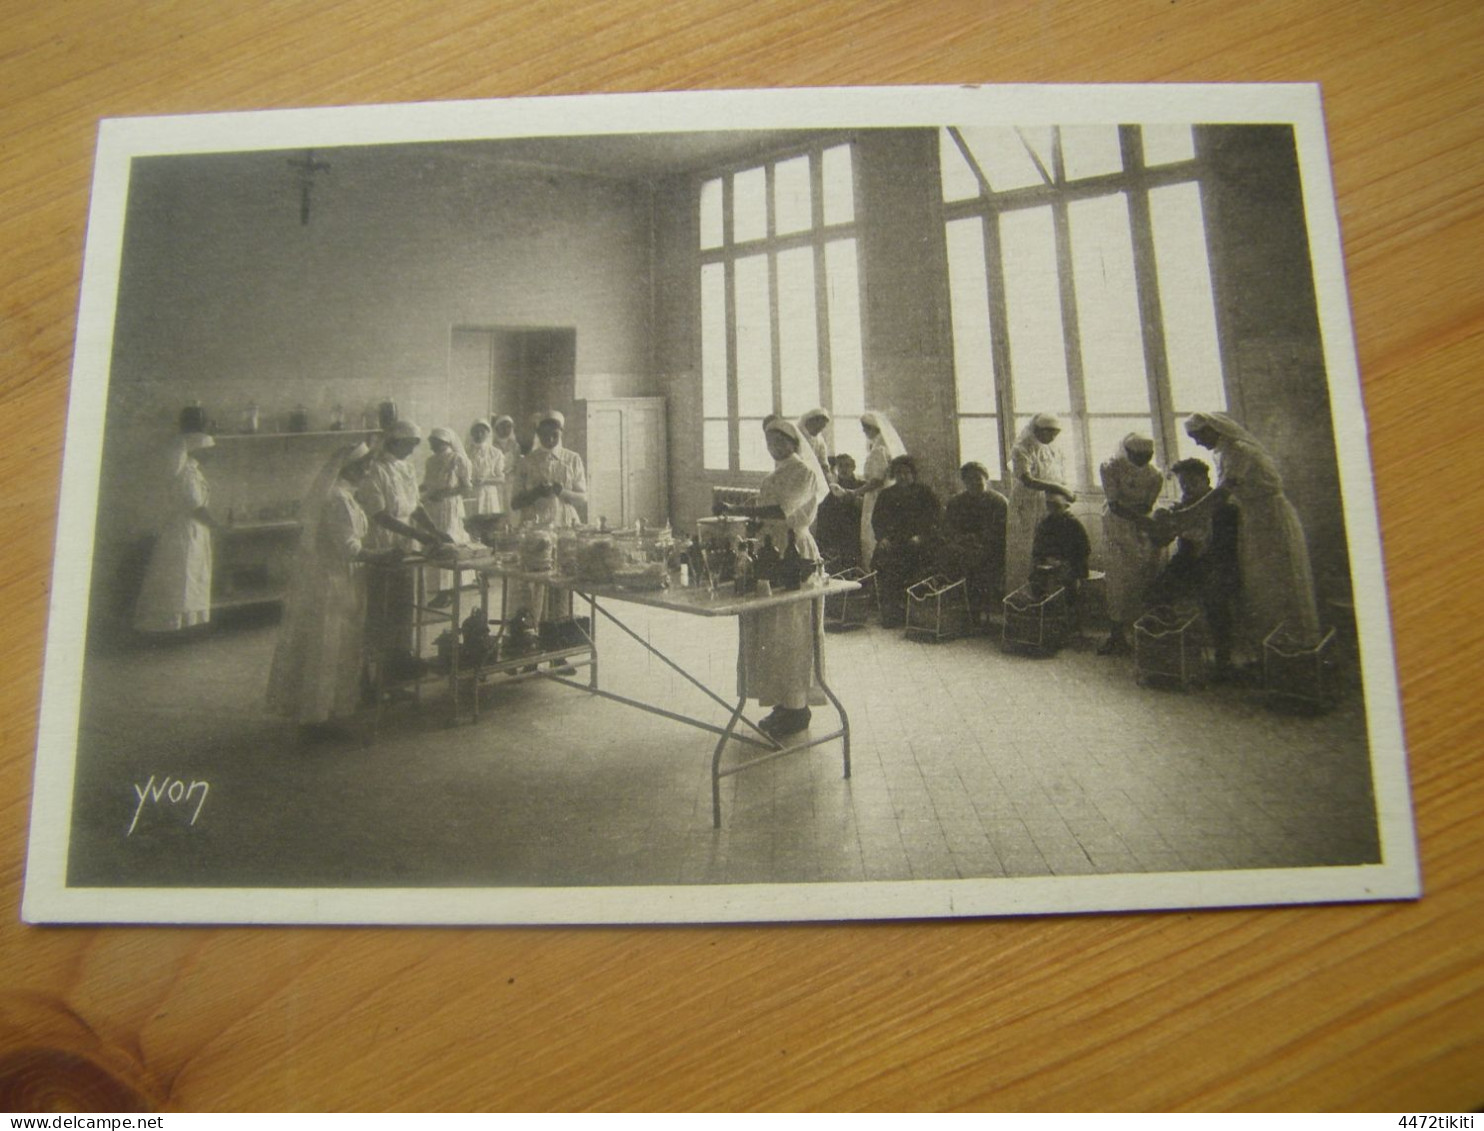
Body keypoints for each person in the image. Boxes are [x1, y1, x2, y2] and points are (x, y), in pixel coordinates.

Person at [716, 419, 830, 739]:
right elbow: (764, 515)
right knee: (771, 629)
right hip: (770, 550)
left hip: (795, 550)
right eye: (769, 441)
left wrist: (741, 510)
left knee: (792, 628)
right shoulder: (772, 476)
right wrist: (748, 530)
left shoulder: (804, 473)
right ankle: (782, 703)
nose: (773, 446)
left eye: (780, 441)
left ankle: (798, 707)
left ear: (793, 443)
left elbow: (781, 511)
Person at [265, 442, 385, 734]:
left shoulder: (344, 496)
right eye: (365, 466)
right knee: (329, 644)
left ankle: (326, 712)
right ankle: (319, 717)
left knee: (335, 645)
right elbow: (349, 548)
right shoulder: (338, 500)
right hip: (332, 580)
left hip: (337, 577)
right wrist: (382, 556)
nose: (368, 471)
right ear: (351, 468)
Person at [1178, 412, 1320, 646]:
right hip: (1254, 519)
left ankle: (1293, 646)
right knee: (1260, 584)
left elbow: (1222, 494)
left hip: (1270, 518)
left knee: (1279, 579)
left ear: (1211, 429)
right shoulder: (1223, 453)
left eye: (1197, 437)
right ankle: (1269, 647)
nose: (1197, 443)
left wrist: (1186, 515)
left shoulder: (1238, 450)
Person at [356, 420, 448, 671]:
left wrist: (434, 530)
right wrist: (418, 534)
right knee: (383, 605)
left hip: (407, 540)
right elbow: (380, 515)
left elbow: (416, 506)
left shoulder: (406, 468)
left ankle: (402, 656)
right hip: (383, 541)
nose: (412, 450)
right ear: (394, 442)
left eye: (415, 445)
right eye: (409, 444)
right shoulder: (374, 470)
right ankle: (378, 663)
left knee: (406, 601)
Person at [1149, 458, 1241, 678]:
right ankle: (1169, 652)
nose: (1187, 488)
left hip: (1218, 564)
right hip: (1188, 563)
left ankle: (1223, 660)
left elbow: (1226, 550)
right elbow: (1161, 542)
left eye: (1192, 482)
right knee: (1155, 593)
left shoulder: (1225, 509)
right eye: (1183, 484)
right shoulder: (1181, 507)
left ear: (1206, 481)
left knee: (1215, 599)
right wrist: (1162, 523)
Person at [134, 432, 220, 635]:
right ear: (198, 451)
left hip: (195, 530)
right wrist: (216, 525)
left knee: (190, 579)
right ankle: (167, 628)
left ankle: (185, 626)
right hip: (184, 530)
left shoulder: (194, 471)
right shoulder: (187, 473)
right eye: (209, 451)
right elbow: (195, 506)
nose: (212, 455)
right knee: (181, 578)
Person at [1098, 433, 1166, 655]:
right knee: (1117, 581)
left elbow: (1147, 505)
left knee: (1142, 579)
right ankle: (1116, 636)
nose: (1142, 460)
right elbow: (1115, 504)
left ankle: (1140, 634)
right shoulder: (1110, 467)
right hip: (1116, 528)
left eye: (1147, 456)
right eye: (1137, 456)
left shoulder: (1155, 475)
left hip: (1140, 530)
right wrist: (1140, 520)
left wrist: (1143, 523)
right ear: (1127, 452)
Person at [871, 454, 942, 628]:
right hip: (894, 541)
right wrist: (883, 538)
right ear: (894, 475)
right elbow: (877, 520)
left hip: (920, 540)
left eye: (907, 473)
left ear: (913, 474)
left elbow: (936, 518)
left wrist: (922, 536)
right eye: (899, 473)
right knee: (883, 559)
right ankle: (893, 612)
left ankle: (917, 611)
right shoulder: (886, 495)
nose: (903, 476)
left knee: (916, 562)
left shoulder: (925, 493)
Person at [1007, 413, 1074, 593]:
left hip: (1050, 502)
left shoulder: (1054, 448)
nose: (1052, 437)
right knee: (1027, 546)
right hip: (1027, 501)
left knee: (1049, 548)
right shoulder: (1022, 448)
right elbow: (1027, 480)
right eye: (1048, 433)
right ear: (1037, 430)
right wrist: (1060, 489)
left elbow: (1059, 475)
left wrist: (1063, 495)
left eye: (1055, 433)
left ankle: (1047, 595)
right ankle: (1023, 594)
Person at [941, 461, 1009, 627]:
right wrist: (961, 540)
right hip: (964, 545)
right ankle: (954, 608)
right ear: (964, 482)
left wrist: (980, 541)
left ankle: (973, 613)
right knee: (947, 555)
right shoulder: (956, 502)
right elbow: (949, 528)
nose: (975, 483)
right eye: (969, 480)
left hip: (991, 548)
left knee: (974, 560)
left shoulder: (998, 501)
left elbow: (1001, 531)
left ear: (986, 479)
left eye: (978, 478)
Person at [847, 410, 906, 566]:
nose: (864, 432)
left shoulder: (879, 449)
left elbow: (877, 481)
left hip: (876, 498)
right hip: (882, 495)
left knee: (871, 536)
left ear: (874, 429)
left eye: (865, 428)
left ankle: (873, 573)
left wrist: (855, 492)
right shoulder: (884, 446)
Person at [512, 410, 587, 528]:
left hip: (565, 521)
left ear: (561, 433)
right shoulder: (526, 461)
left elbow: (583, 498)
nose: (550, 439)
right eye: (545, 434)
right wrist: (536, 492)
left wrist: (561, 492)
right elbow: (515, 503)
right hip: (534, 522)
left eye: (555, 434)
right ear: (538, 433)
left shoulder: (573, 459)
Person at [1030, 487, 1091, 605]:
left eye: (1057, 506)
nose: (1053, 510)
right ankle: (1043, 609)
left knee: (1067, 578)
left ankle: (1069, 613)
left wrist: (1066, 561)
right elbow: (1038, 546)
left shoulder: (1073, 524)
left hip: (1071, 562)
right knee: (1036, 577)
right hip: (1050, 562)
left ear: (1065, 506)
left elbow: (1085, 549)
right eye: (1050, 506)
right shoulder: (1045, 524)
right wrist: (1047, 559)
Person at [422, 427, 473, 543]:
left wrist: (444, 494)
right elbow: (427, 483)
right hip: (432, 505)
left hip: (450, 505)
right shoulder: (430, 461)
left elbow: (467, 488)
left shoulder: (457, 459)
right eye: (431, 442)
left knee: (449, 536)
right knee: (433, 536)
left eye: (434, 443)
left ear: (444, 442)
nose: (431, 446)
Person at [815, 454, 862, 569]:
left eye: (847, 466)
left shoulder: (861, 485)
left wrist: (850, 497)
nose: (844, 469)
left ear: (854, 467)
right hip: (833, 534)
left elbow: (865, 508)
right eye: (840, 466)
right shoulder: (830, 487)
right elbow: (823, 511)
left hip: (853, 531)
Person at [466, 419, 506, 519]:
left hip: (488, 495)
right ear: (472, 433)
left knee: (488, 524)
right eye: (476, 431)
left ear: (488, 433)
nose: (479, 434)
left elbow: (501, 478)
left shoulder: (495, 453)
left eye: (482, 432)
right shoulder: (466, 453)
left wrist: (485, 480)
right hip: (471, 493)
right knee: (470, 524)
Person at [490, 415, 522, 509]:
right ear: (496, 428)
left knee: (510, 504)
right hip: (496, 480)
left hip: (511, 480)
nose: (505, 429)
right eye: (502, 426)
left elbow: (518, 463)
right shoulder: (492, 445)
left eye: (508, 426)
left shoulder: (515, 446)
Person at [797, 408, 834, 485]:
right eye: (819, 426)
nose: (820, 430)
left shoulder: (820, 441)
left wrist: (829, 479)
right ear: (810, 421)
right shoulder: (796, 436)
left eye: (822, 428)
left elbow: (823, 463)